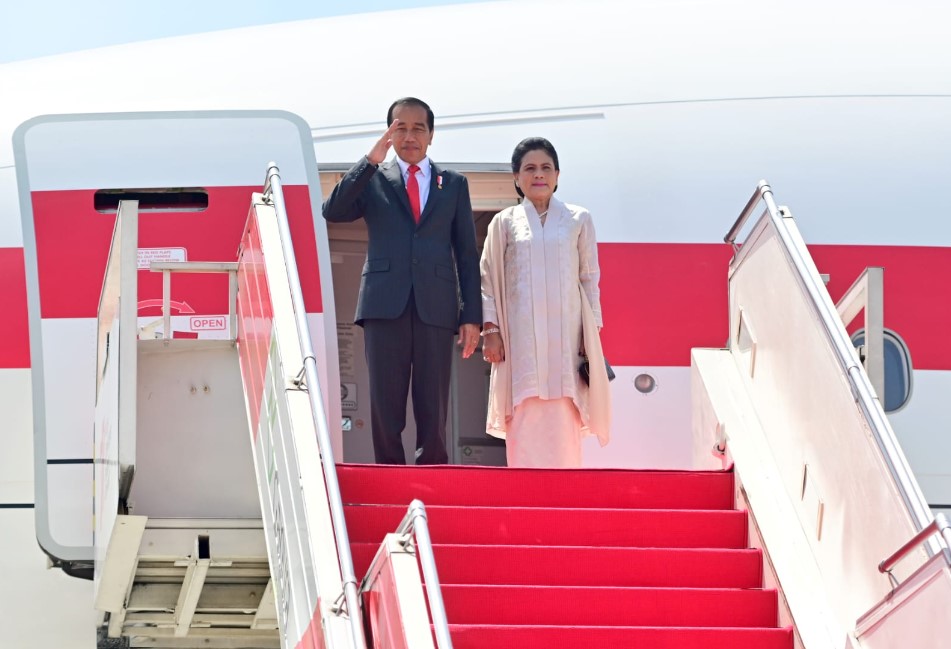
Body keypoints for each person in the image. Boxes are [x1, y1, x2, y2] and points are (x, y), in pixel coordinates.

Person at [322, 97, 481, 465]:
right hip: (383, 305)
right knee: (385, 403)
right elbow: (334, 210)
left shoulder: (453, 184)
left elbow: (466, 253)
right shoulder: (374, 178)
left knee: (433, 404)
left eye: (418, 128)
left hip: (436, 307)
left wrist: (470, 314)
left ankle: (433, 477)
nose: (410, 136)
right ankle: (389, 476)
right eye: (400, 128)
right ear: (389, 133)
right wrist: (370, 160)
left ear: (431, 135)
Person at [480, 137, 610, 467]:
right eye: (530, 168)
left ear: (557, 175)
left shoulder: (579, 219)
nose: (539, 175)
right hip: (520, 342)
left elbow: (588, 277)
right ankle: (525, 494)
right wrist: (490, 328)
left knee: (564, 407)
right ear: (516, 177)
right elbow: (488, 278)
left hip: (567, 338)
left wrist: (590, 331)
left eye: (546, 168)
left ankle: (566, 497)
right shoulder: (504, 222)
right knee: (525, 406)